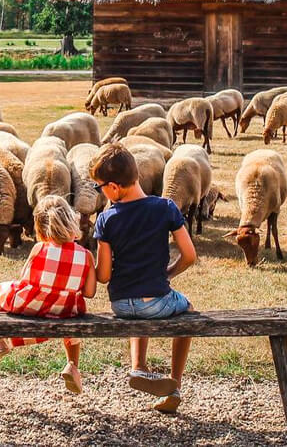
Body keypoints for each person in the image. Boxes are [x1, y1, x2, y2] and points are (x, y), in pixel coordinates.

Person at [90, 143, 198, 414]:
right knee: (188, 310)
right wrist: (168, 273)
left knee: (138, 309)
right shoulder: (165, 208)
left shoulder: (106, 219)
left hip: (122, 305)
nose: (100, 192)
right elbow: (189, 255)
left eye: (99, 187)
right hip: (157, 301)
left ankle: (138, 366)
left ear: (113, 187)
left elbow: (103, 276)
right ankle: (175, 385)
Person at [0, 195, 96, 394]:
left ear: (41, 226)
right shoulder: (86, 255)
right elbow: (89, 292)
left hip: (32, 306)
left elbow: (25, 278)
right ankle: (72, 365)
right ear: (71, 220)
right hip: (65, 310)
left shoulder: (39, 248)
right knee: (72, 319)